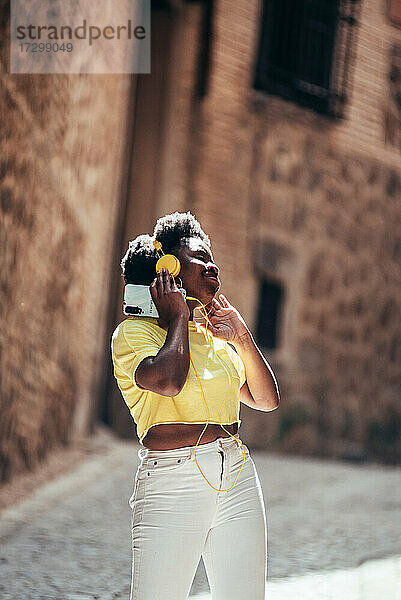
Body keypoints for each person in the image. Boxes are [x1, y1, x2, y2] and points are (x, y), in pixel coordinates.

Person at [111, 212, 280, 600]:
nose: (213, 266)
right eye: (200, 258)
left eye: (212, 258)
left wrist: (241, 336)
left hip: (237, 478)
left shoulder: (215, 338)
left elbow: (267, 400)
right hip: (171, 482)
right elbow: (170, 381)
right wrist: (177, 319)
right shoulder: (133, 334)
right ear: (167, 271)